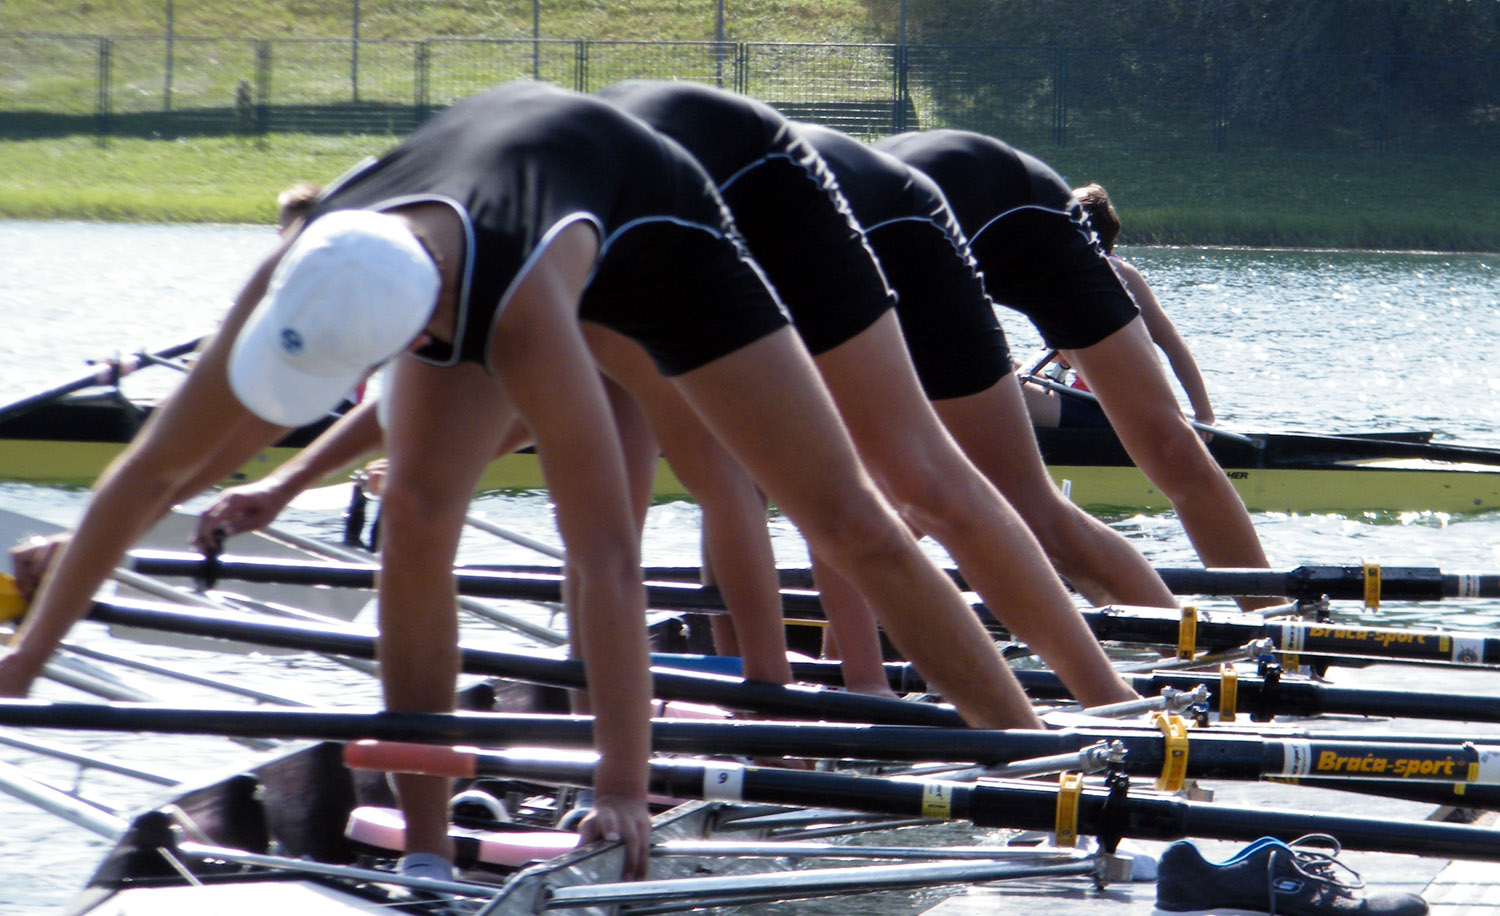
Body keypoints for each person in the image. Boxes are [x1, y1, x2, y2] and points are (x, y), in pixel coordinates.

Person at [2, 82, 1045, 882]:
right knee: (414, 513)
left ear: (421, 327)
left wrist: (622, 787)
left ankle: (1034, 763)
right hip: (469, 232)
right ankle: (422, 842)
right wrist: (28, 658)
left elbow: (605, 557)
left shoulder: (525, 318)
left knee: (849, 514)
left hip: (660, 225)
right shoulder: (315, 259)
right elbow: (146, 474)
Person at [594, 80, 1139, 706]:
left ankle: (1110, 699)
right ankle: (800, 691)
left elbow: (792, 494)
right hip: (721, 212)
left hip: (881, 215)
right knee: (750, 475)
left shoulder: (619, 263)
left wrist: (824, 691)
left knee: (939, 487)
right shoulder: (587, 279)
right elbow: (608, 542)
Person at [875, 129, 1275, 611]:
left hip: (1023, 210)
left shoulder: (822, 263)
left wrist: (1203, 413)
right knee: (935, 495)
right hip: (933, 227)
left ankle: (1269, 625)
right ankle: (1179, 639)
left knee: (1169, 444)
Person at [1024, 184, 1216, 436]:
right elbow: (1054, 354)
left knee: (990, 383)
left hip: (1118, 415)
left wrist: (1205, 416)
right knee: (990, 367)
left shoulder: (1117, 273)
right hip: (1085, 402)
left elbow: (1172, 345)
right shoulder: (1070, 279)